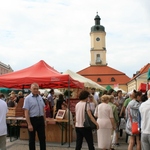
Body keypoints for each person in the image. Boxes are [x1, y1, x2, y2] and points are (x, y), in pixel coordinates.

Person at [23, 83, 46, 150]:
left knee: (42, 138)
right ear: (31, 89)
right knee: (32, 139)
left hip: (40, 119)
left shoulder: (40, 97)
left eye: (37, 89)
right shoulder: (27, 99)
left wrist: (44, 120)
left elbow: (43, 110)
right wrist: (29, 124)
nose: (36, 90)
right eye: (34, 89)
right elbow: (26, 112)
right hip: (32, 120)